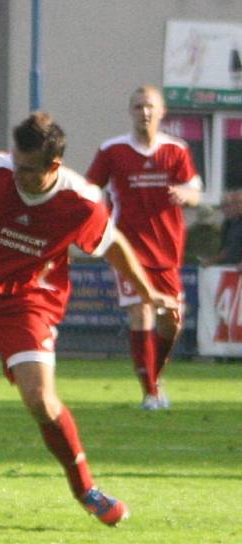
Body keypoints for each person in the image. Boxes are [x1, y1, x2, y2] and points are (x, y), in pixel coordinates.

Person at [0, 112, 179, 527]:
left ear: (53, 167)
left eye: (27, 169)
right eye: (15, 162)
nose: (16, 173)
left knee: (40, 400)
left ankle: (86, 489)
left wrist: (148, 293)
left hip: (27, 302)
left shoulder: (81, 201)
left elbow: (114, 246)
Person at [86, 85, 202, 410]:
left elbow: (195, 191)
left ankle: (153, 375)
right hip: (128, 250)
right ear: (131, 112)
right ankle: (150, 392)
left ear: (162, 112)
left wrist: (186, 194)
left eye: (150, 107)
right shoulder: (112, 150)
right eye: (138, 107)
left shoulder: (176, 150)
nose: (144, 112)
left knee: (172, 321)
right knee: (141, 312)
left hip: (167, 253)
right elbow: (89, 191)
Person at [201, 190, 242, 268]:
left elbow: (232, 249)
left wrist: (212, 260)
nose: (224, 210)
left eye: (228, 206)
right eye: (235, 203)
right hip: (230, 268)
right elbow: (227, 249)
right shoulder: (227, 224)